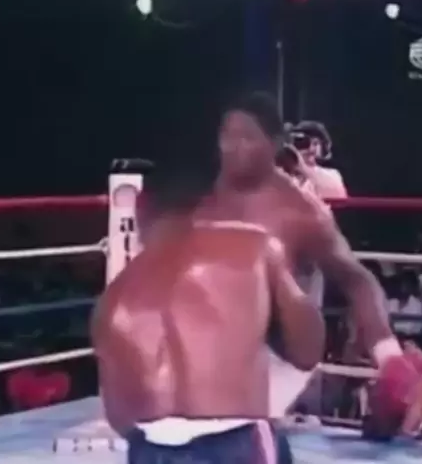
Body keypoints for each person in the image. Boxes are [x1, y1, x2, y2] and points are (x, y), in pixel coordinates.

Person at [140, 92, 422, 436]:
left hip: (273, 350)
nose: (235, 147)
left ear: (273, 145)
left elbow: (355, 278)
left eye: (248, 137)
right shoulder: (200, 195)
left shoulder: (301, 211)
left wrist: (389, 355)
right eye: (228, 136)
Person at [93, 197, 325, 463]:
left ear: (141, 214)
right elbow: (309, 351)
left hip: (150, 450)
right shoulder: (252, 247)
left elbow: (119, 417)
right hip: (236, 442)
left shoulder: (112, 299)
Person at [281, 120, 348, 200]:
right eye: (304, 143)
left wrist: (303, 168)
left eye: (315, 143)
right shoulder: (284, 176)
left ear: (324, 147)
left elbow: (337, 197)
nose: (311, 148)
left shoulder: (332, 175)